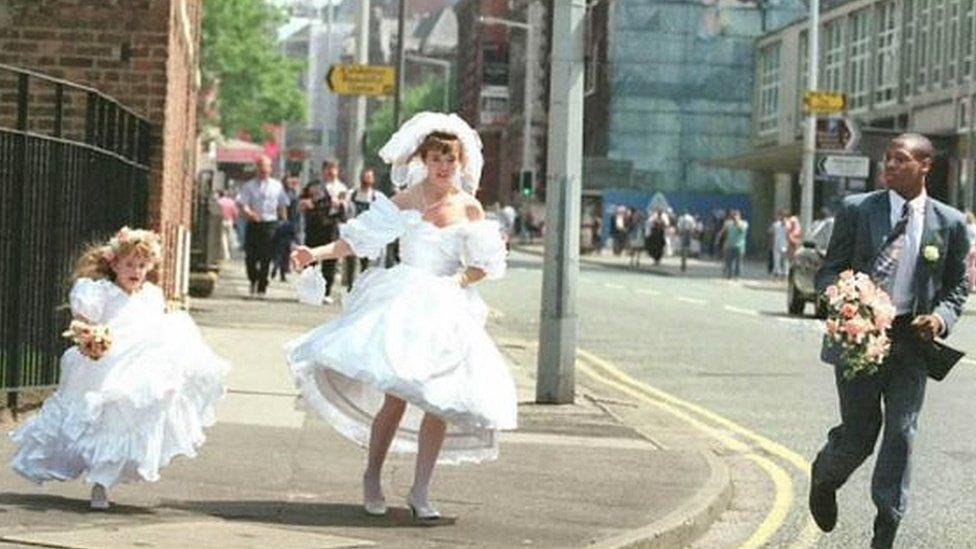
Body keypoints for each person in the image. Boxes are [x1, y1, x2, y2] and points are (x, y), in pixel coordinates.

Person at [286, 112, 517, 521]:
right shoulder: (405, 200)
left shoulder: (470, 208)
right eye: (436, 160)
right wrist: (314, 254)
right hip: (406, 299)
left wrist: (461, 279)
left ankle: (421, 488)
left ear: (461, 163)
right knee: (395, 395)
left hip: (448, 301)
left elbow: (486, 264)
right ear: (422, 161)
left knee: (439, 401)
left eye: (450, 160)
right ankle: (372, 476)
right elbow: (357, 240)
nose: (443, 168)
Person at [809, 134, 970, 549]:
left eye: (901, 159)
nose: (890, 165)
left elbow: (956, 287)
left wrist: (940, 317)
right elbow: (829, 271)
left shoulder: (948, 222)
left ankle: (887, 523)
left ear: (925, 166)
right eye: (888, 159)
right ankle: (825, 476)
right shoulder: (857, 210)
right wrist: (842, 297)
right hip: (861, 337)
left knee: (902, 431)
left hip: (911, 342)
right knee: (861, 433)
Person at [9, 227, 229, 510]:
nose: (136, 271)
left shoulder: (150, 295)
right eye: (129, 265)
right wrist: (90, 337)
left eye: (141, 266)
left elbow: (155, 330)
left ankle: (104, 481)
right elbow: (81, 323)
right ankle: (99, 481)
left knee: (127, 412)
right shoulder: (99, 292)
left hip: (137, 365)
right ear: (114, 264)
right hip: (105, 362)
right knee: (99, 419)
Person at [236, 155, 289, 297]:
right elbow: (242, 204)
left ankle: (262, 286)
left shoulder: (277, 186)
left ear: (270, 169)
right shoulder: (249, 186)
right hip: (254, 223)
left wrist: (284, 222)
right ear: (257, 168)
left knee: (266, 257)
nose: (264, 170)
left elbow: (282, 205)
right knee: (251, 257)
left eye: (266, 167)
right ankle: (253, 279)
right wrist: (250, 213)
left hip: (270, 224)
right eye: (261, 166)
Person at [301, 160, 348, 305]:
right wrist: (305, 204)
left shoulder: (342, 188)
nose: (331, 171)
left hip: (331, 227)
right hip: (314, 227)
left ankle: (326, 291)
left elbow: (345, 210)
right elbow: (302, 201)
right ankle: (309, 291)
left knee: (330, 260)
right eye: (328, 168)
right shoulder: (313, 186)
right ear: (323, 170)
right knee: (311, 258)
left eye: (334, 168)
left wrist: (341, 205)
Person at [343, 168, 383, 291]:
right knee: (350, 260)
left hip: (369, 233)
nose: (366, 180)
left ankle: (363, 288)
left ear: (373, 180)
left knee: (366, 262)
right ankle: (350, 286)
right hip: (354, 232)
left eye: (369, 177)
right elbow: (346, 210)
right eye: (364, 177)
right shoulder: (352, 194)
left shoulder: (376, 196)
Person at [271, 175, 302, 282]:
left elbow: (297, 213)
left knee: (286, 251)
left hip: (291, 226)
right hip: (282, 226)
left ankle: (282, 271)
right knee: (280, 250)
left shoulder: (294, 194)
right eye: (288, 182)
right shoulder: (281, 194)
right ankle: (276, 268)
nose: (290, 184)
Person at [724, 210, 748, 279]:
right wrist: (725, 243)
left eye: (736, 215)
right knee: (729, 261)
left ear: (739, 216)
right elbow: (728, 235)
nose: (734, 216)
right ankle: (729, 274)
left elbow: (741, 230)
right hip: (730, 245)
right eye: (734, 215)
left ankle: (737, 275)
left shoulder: (744, 223)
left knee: (738, 262)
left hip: (740, 246)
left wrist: (737, 222)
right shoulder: (729, 224)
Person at [216, 190, 239, 260]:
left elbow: (216, 211)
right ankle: (231, 252)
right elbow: (236, 213)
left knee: (223, 238)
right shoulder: (231, 202)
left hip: (221, 220)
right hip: (230, 221)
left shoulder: (218, 202)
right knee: (230, 237)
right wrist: (235, 220)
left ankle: (225, 254)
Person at [769, 209, 789, 278]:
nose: (781, 217)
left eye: (783, 216)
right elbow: (772, 233)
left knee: (785, 259)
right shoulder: (776, 224)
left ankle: (785, 273)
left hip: (785, 244)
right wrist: (772, 243)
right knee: (776, 259)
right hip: (777, 244)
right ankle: (777, 272)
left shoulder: (788, 224)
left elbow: (789, 234)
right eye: (780, 216)